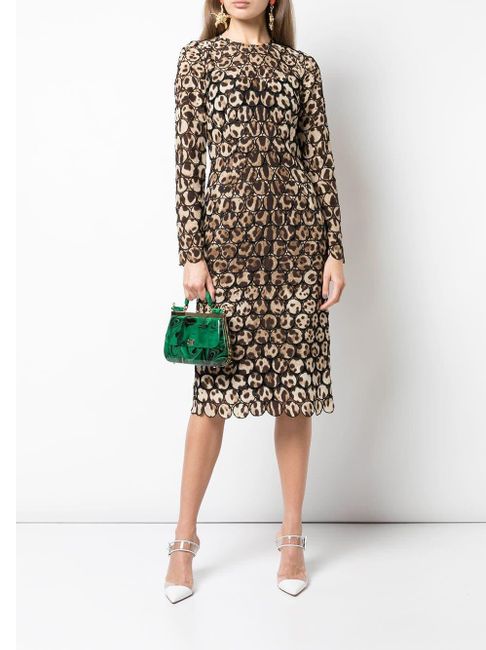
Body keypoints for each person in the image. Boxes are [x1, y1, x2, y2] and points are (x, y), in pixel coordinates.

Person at [164, 0, 346, 603]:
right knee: (211, 394)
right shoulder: (198, 61)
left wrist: (334, 250)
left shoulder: (301, 68)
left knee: (295, 392)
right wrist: (193, 252)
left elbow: (320, 162)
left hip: (298, 247)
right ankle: (183, 541)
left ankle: (292, 537)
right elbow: (188, 162)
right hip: (229, 248)